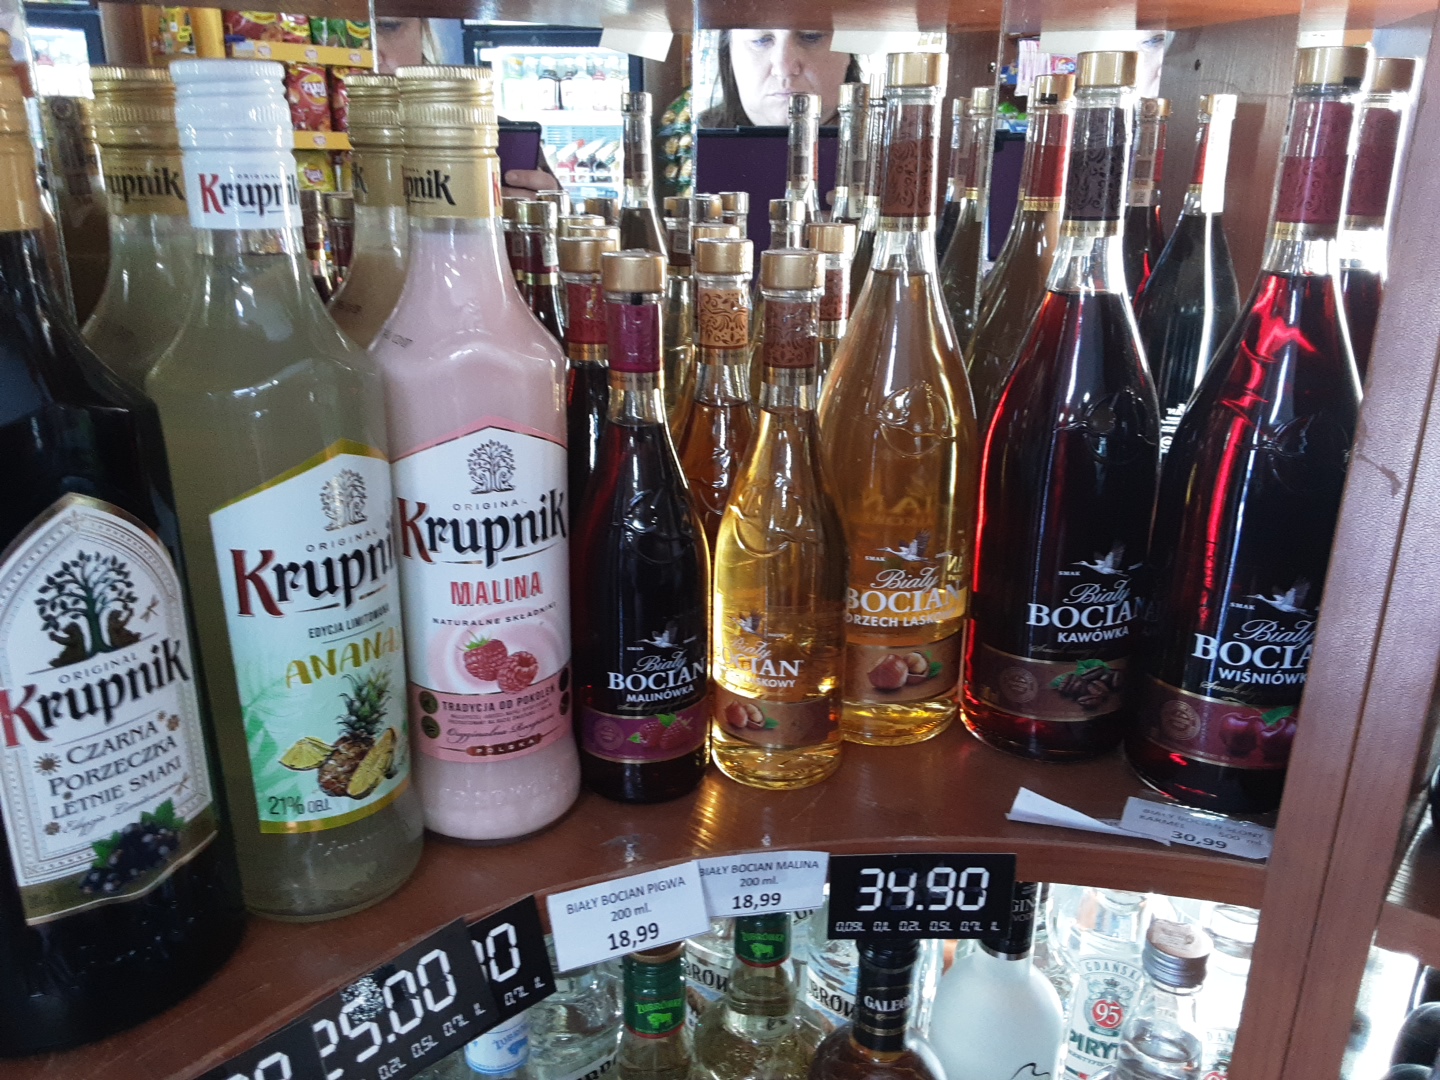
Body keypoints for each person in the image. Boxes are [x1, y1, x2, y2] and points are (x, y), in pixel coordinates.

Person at [698, 29, 860, 127]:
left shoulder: (876, 152)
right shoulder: (690, 150)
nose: (784, 70)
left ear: (848, 53)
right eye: (761, 40)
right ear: (729, 54)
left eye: (811, 36)